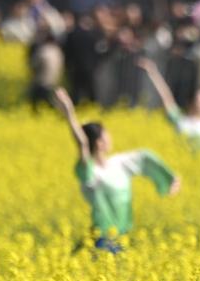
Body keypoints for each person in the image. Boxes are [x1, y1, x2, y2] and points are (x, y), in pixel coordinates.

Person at [53, 87, 181, 252]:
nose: (110, 137)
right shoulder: (91, 174)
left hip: (122, 238)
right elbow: (83, 145)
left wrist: (170, 179)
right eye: (106, 135)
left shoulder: (119, 163)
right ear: (99, 143)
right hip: (102, 240)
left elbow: (145, 157)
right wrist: (69, 114)